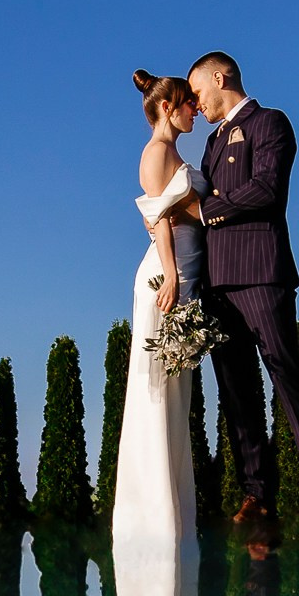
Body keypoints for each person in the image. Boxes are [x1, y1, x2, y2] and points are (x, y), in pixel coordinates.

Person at [186, 50, 299, 535]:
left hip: (262, 273)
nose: (195, 102)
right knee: (235, 394)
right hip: (219, 283)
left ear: (218, 77)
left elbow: (268, 189)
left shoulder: (269, 122)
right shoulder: (210, 143)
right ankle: (256, 495)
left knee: (286, 378)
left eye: (196, 92)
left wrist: (211, 209)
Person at [115, 71, 205, 547]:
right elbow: (159, 217)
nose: (195, 110)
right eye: (188, 103)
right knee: (157, 394)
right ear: (168, 107)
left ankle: (175, 519)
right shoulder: (155, 153)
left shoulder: (174, 155)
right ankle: (152, 523)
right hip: (165, 282)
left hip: (185, 279)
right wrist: (171, 275)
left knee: (176, 397)